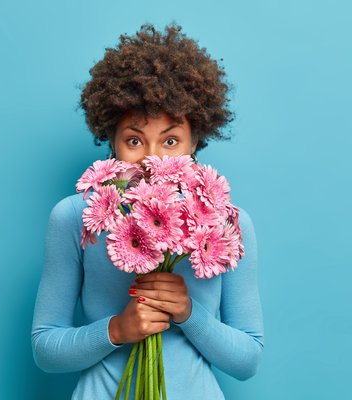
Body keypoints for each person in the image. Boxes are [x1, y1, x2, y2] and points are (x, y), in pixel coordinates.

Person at [31, 23, 264, 399]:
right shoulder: (73, 217)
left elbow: (248, 361)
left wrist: (189, 313)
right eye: (135, 140)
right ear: (111, 141)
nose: (153, 159)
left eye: (171, 140)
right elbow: (45, 349)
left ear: (195, 142)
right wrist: (116, 330)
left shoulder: (229, 223)